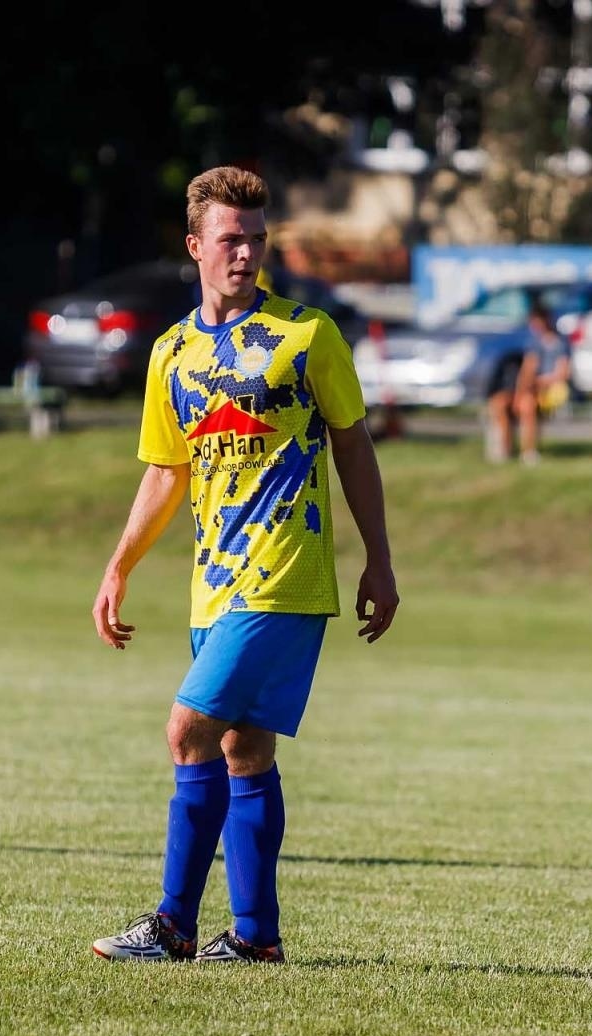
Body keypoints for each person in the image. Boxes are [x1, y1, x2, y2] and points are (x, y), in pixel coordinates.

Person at [89, 166, 398, 965]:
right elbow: (166, 471)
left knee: (188, 732)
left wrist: (379, 560)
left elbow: (354, 447)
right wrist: (120, 565)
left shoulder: (307, 336)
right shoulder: (173, 354)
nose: (247, 253)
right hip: (214, 586)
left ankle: (171, 926)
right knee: (244, 751)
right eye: (232, 239)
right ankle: (257, 939)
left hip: (287, 577)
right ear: (195, 245)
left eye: (258, 239)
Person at [507, 301, 570, 466]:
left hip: (555, 390)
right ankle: (524, 451)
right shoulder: (534, 343)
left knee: (528, 406)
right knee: (521, 405)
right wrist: (522, 391)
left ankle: (528, 451)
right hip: (537, 388)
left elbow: (563, 372)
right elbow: (528, 371)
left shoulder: (560, 343)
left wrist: (539, 382)